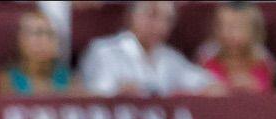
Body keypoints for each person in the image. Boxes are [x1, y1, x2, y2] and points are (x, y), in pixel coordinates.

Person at [78, 1, 222, 96]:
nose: (160, 26)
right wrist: (118, 92)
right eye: (153, 15)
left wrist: (210, 87)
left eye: (167, 19)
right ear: (132, 16)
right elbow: (94, 94)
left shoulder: (169, 57)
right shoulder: (103, 51)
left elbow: (205, 82)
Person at [0, 6, 74, 95]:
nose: (44, 41)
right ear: (19, 39)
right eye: (37, 33)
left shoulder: (70, 79)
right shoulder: (5, 79)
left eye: (50, 34)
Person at [197, 2, 274, 92]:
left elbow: (271, 94)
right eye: (221, 26)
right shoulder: (206, 61)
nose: (226, 33)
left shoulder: (264, 63)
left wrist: (254, 87)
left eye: (236, 27)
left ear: (254, 31)